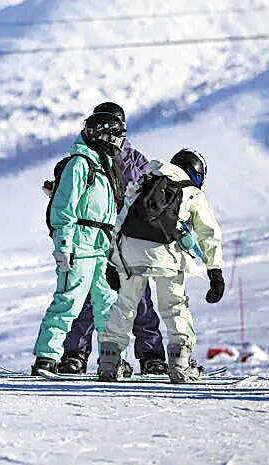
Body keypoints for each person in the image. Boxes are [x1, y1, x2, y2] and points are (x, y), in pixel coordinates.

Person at [56, 102, 168, 376]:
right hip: (94, 239)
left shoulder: (135, 161)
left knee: (138, 297)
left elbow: (148, 197)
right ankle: (75, 354)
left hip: (126, 240)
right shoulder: (87, 158)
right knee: (87, 298)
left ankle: (151, 356)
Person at [98, 148, 224, 383]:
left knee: (125, 305)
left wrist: (112, 260)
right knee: (175, 306)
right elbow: (209, 233)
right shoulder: (191, 191)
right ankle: (180, 364)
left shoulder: (146, 180)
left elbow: (121, 219)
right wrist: (215, 270)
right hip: (168, 256)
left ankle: (109, 362)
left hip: (130, 253)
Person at [32, 111, 124, 376]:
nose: (118, 143)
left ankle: (112, 358)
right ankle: (46, 357)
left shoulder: (105, 166)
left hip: (101, 248)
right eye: (115, 137)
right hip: (80, 246)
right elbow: (64, 207)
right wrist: (63, 244)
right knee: (68, 301)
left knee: (108, 304)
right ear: (102, 135)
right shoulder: (80, 164)